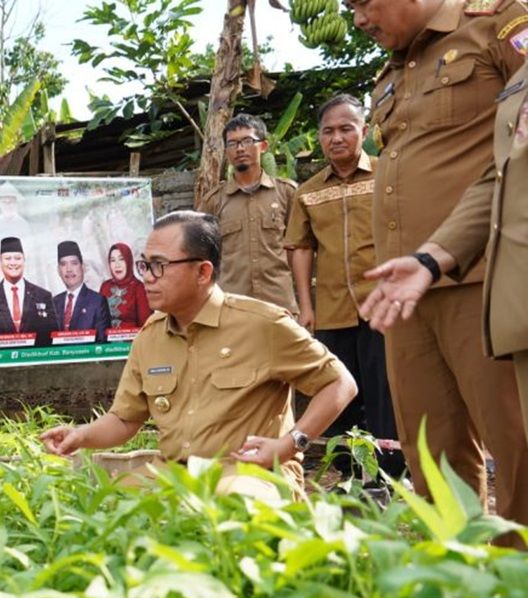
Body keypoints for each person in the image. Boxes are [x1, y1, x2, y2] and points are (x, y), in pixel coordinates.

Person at [346, 0, 528, 525]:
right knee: (432, 453)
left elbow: (513, 157)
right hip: (407, 294)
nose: (358, 18)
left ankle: (516, 582)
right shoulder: (391, 72)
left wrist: (437, 254)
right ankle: (454, 580)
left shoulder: (495, 23)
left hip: (484, 280)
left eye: (362, 2)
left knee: (515, 446)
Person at [40, 211, 357, 494]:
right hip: (174, 473)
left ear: (203, 272)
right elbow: (124, 420)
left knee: (233, 503)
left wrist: (290, 445)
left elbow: (340, 384)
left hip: (250, 475)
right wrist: (80, 436)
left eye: (159, 266)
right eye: (144, 265)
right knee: (105, 506)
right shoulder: (150, 337)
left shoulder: (262, 324)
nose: (147, 277)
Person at [284, 94, 405, 479]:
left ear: (363, 132)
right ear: (319, 137)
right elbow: (301, 248)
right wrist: (306, 304)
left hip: (384, 306)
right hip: (332, 311)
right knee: (339, 392)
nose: (337, 138)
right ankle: (351, 473)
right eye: (328, 131)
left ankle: (389, 475)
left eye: (346, 129)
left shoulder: (388, 177)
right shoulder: (308, 191)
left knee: (386, 392)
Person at [196, 114, 300, 314]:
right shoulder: (213, 201)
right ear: (226, 151)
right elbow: (202, 256)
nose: (240, 148)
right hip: (233, 309)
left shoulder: (287, 193)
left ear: (263, 146)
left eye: (247, 141)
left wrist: (304, 303)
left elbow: (301, 249)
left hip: (280, 307)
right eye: (233, 143)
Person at [0, 236, 58, 350]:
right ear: (0, 261)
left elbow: (54, 342)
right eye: (8, 258)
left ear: (24, 260)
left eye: (18, 258)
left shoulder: (43, 296)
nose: (13, 263)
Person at [52, 240, 111, 344]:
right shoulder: (53, 303)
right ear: (58, 270)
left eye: (74, 263)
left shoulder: (97, 301)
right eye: (63, 264)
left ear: (82, 267)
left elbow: (103, 343)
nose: (69, 269)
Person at [100, 243, 151, 329]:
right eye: (113, 260)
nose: (117, 265)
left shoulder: (139, 288)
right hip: (106, 341)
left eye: (121, 259)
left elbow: (145, 326)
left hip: (131, 341)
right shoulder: (105, 287)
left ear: (128, 261)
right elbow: (98, 321)